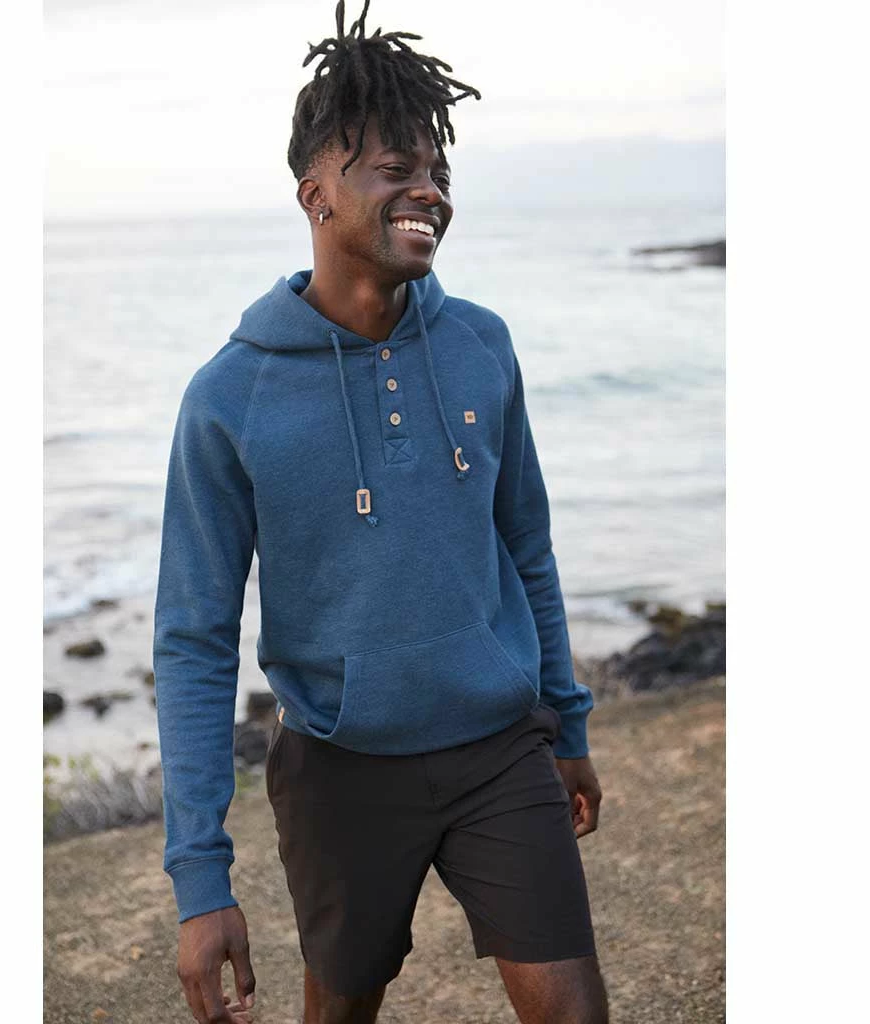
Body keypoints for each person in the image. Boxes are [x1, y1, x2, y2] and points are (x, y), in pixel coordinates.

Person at [153, 2, 609, 1021]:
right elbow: (193, 637)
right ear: (315, 194)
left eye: (437, 171)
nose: (428, 191)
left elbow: (526, 546)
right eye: (395, 168)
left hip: (500, 743)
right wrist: (200, 878)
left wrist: (566, 720)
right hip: (340, 770)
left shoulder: (482, 345)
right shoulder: (230, 397)